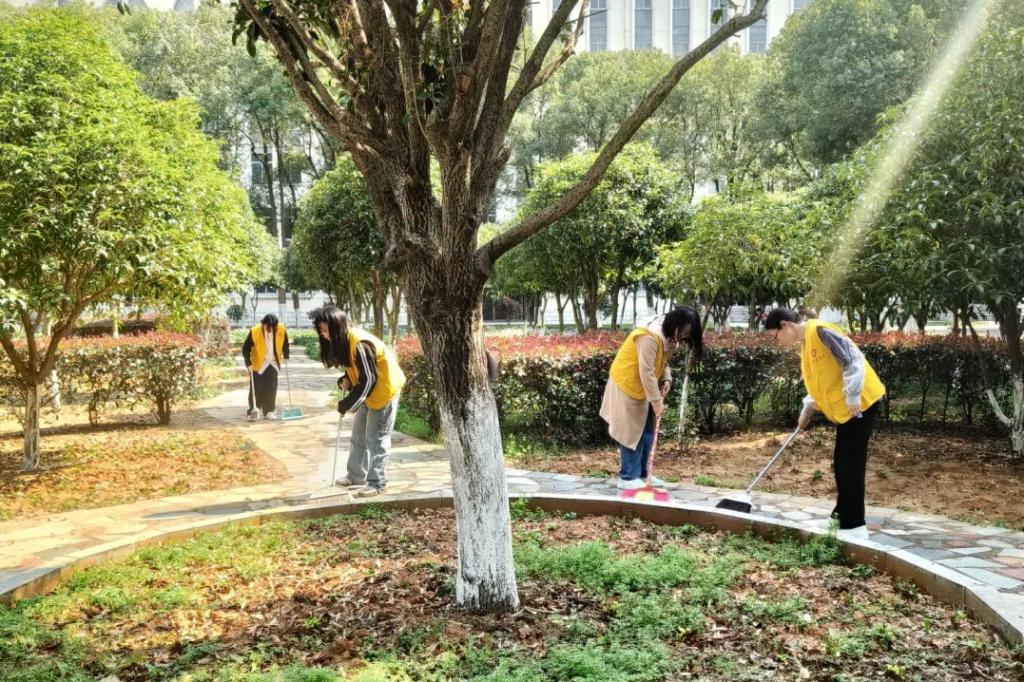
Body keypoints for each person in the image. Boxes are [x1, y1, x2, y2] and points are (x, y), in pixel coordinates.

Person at [764, 308, 886, 537]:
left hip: (861, 403)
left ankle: (854, 526)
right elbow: (820, 382)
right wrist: (807, 409)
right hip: (847, 410)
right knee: (841, 463)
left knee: (850, 464)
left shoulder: (819, 330)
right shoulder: (805, 343)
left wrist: (853, 394)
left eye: (775, 336)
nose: (777, 341)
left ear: (785, 325)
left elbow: (852, 359)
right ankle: (840, 518)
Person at [600, 308, 704, 490]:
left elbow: (663, 360)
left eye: (687, 335)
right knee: (632, 432)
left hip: (645, 387)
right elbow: (646, 370)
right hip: (628, 385)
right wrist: (656, 402)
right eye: (684, 333)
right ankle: (627, 477)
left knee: (647, 432)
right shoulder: (649, 336)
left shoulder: (669, 335)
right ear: (676, 324)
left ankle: (643, 473)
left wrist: (666, 379)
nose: (684, 338)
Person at [313, 306, 406, 497]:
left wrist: (347, 403)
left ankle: (377, 483)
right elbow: (357, 370)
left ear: (337, 326)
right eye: (321, 331)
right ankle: (356, 476)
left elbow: (369, 379)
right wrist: (346, 378)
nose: (324, 335)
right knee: (358, 436)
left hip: (384, 392)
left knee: (376, 438)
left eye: (326, 330)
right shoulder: (345, 342)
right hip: (368, 393)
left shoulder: (360, 344)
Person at [242, 314, 290, 421]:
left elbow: (285, 343)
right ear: (263, 324)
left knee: (271, 388)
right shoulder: (255, 331)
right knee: (256, 388)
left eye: (273, 327)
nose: (270, 330)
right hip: (258, 364)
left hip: (273, 363)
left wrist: (286, 355)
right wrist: (248, 363)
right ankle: (254, 410)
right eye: (268, 327)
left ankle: (269, 411)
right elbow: (245, 348)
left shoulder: (281, 329)